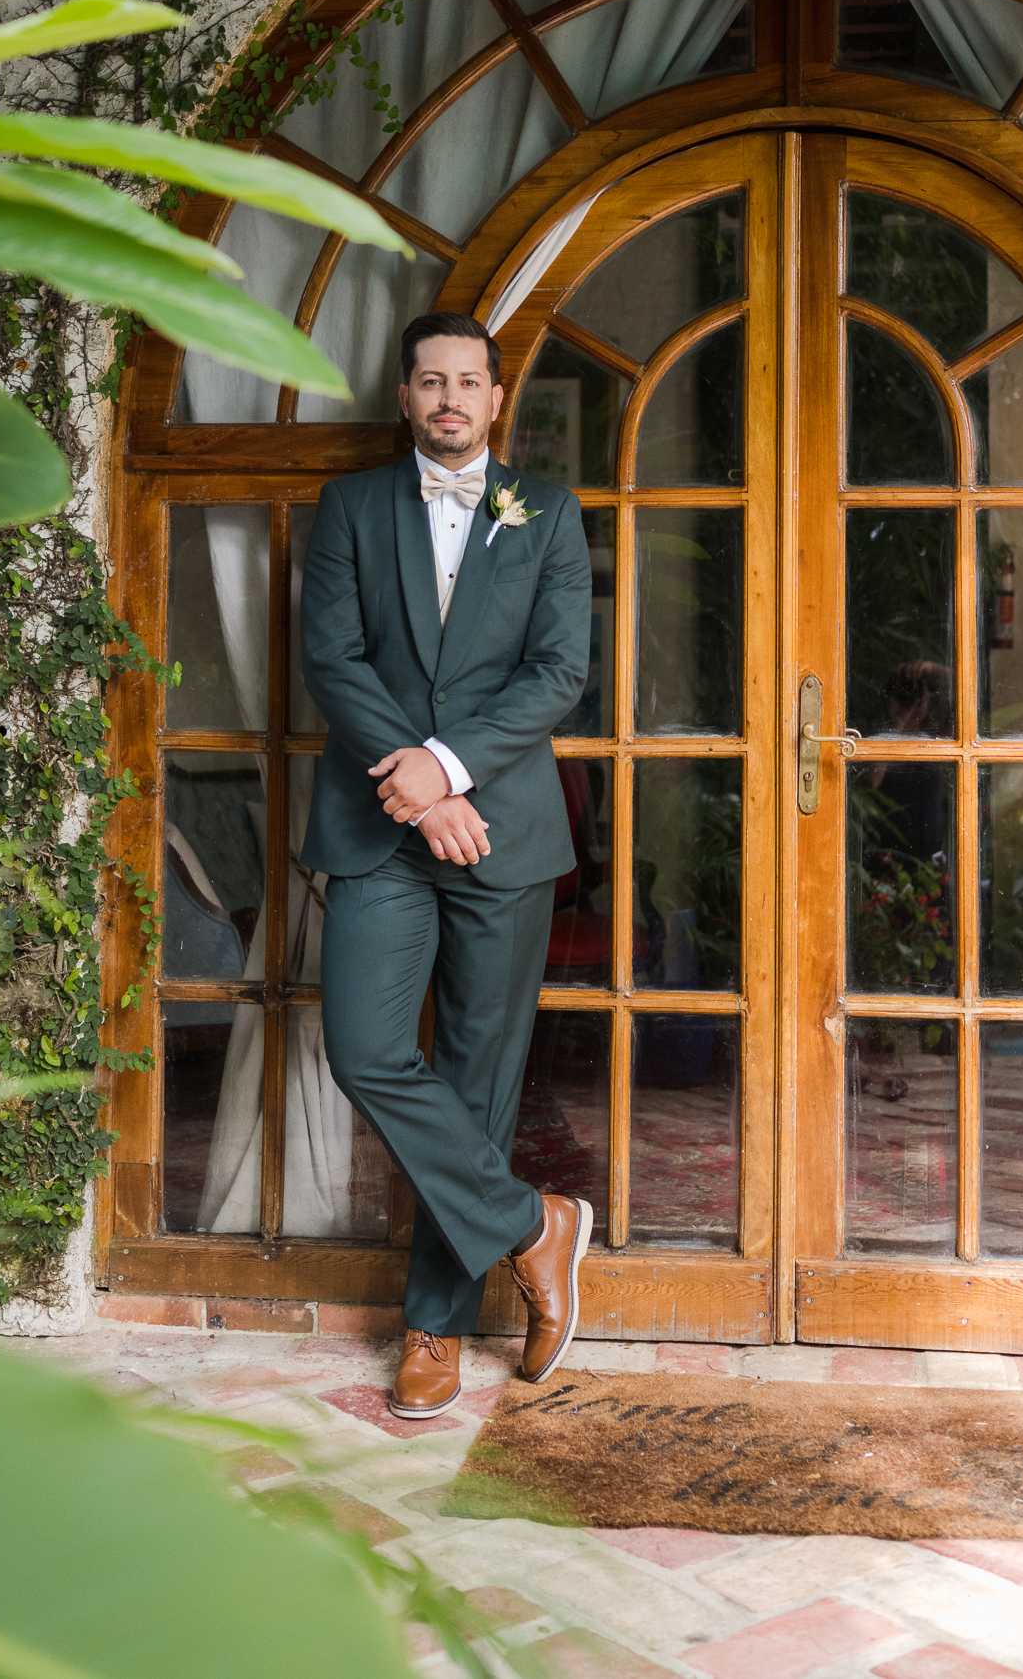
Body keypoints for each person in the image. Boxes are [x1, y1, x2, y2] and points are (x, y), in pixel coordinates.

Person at [299, 310, 594, 1420]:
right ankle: (535, 1228)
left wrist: (451, 770)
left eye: (469, 381)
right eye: (431, 381)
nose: (450, 399)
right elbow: (332, 657)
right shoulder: (350, 508)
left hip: (501, 828)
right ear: (406, 395)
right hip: (382, 826)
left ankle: (434, 1323)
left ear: (496, 396)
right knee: (366, 1047)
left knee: (479, 1081)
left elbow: (558, 671)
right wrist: (416, 789)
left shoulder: (548, 513)